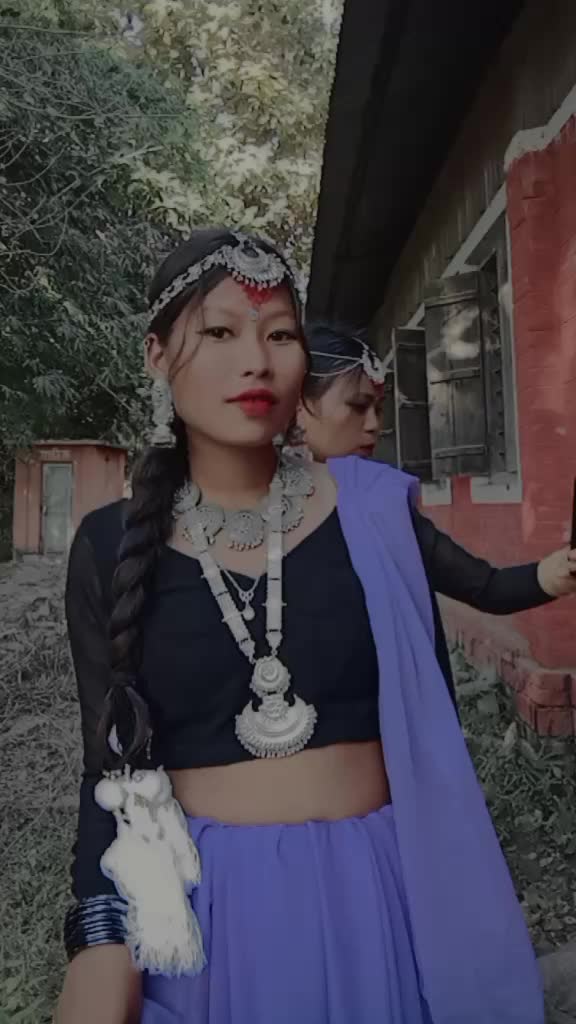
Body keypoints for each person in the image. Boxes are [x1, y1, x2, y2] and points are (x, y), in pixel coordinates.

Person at [56, 229, 576, 1024]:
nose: (256, 361)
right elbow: (109, 770)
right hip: (209, 925)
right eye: (220, 332)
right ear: (157, 356)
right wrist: (97, 945)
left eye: (280, 335)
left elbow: (437, 720)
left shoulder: (374, 514)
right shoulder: (109, 545)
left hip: (381, 900)